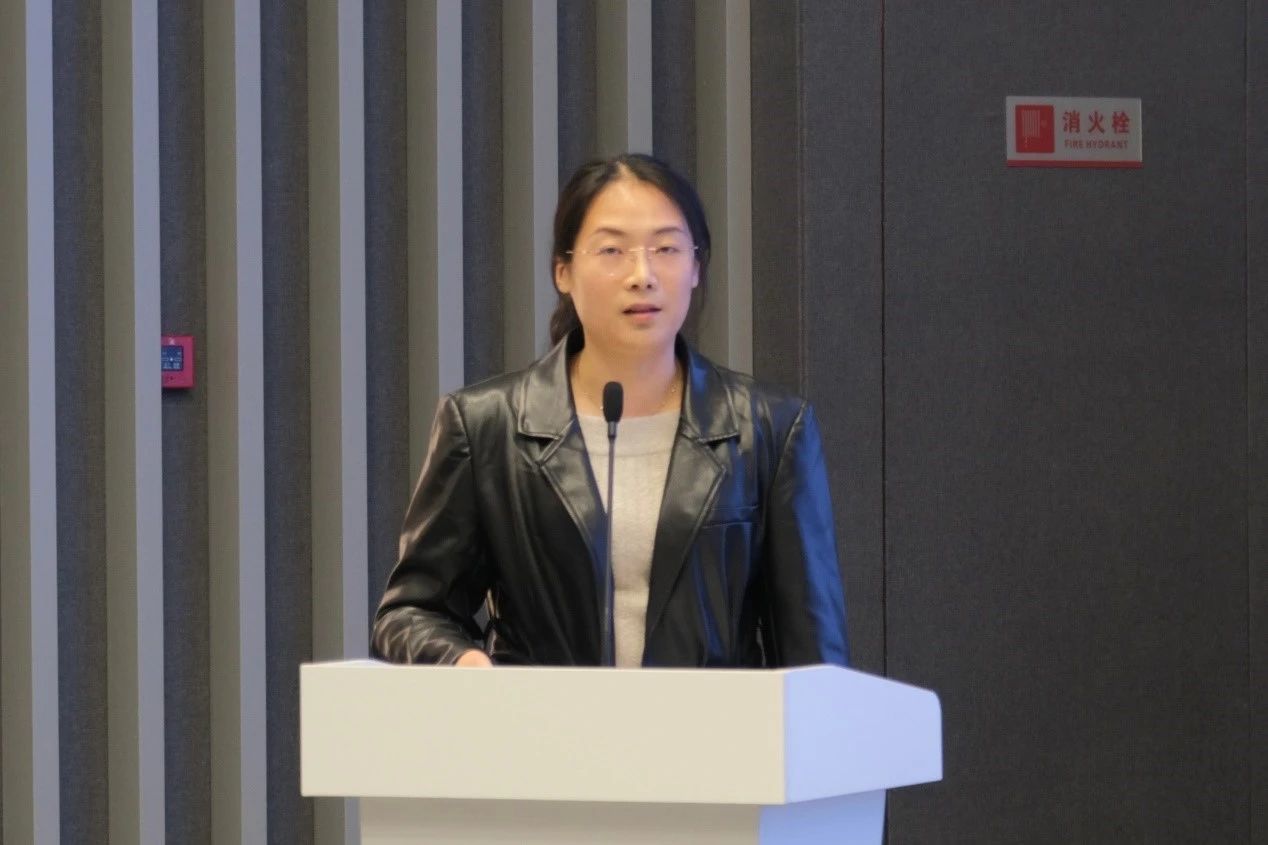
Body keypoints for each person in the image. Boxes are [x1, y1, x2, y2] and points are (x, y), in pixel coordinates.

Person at [371, 153, 848, 668]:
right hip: (541, 719)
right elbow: (410, 612)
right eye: (612, 250)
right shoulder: (487, 428)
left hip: (709, 722)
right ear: (563, 271)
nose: (642, 275)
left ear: (695, 268)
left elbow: (813, 657)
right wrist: (464, 663)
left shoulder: (769, 430)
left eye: (666, 248)